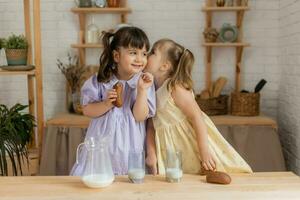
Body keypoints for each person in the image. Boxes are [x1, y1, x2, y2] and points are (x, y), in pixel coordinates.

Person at [145, 39, 252, 175]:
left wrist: (204, 151)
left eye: (152, 52)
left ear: (164, 66)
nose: (147, 55)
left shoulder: (174, 87)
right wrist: (151, 153)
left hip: (188, 142)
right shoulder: (150, 88)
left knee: (200, 175)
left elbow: (197, 117)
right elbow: (150, 125)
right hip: (169, 146)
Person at [71, 26, 156, 175]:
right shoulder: (101, 81)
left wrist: (142, 91)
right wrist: (106, 104)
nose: (140, 59)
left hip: (130, 148)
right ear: (116, 56)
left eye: (144, 54)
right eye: (133, 53)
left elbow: (140, 116)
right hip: (102, 147)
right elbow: (87, 109)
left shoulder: (144, 82)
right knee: (99, 181)